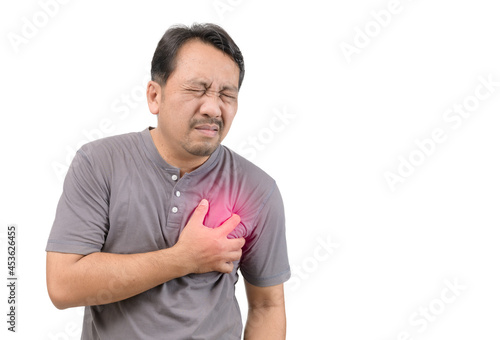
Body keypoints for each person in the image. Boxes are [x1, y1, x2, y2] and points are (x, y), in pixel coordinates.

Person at [45, 23, 290, 339]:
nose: (213, 107)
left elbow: (268, 307)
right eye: (197, 89)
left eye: (227, 94)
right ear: (154, 96)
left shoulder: (257, 189)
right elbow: (63, 286)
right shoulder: (99, 164)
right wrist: (183, 259)